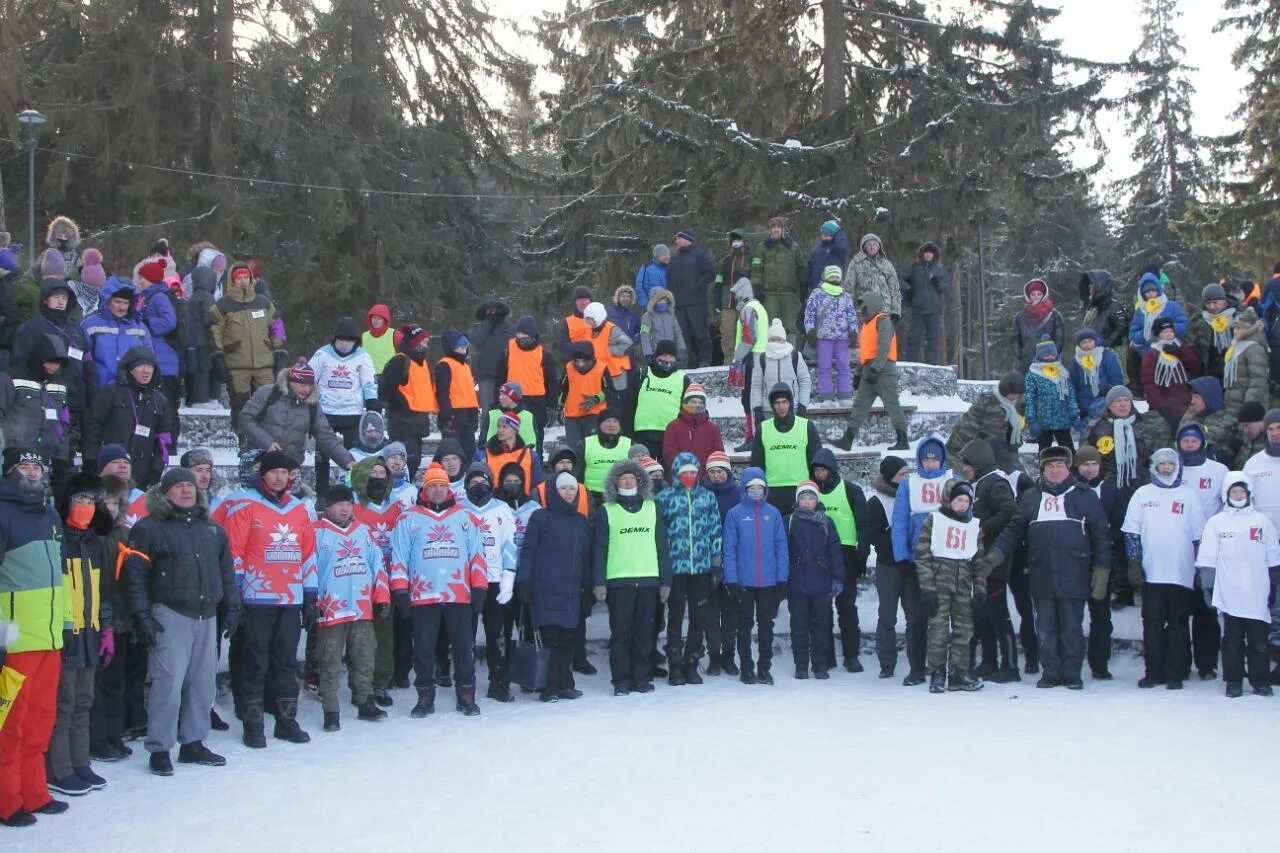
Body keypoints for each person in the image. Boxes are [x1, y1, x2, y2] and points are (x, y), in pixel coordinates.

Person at [122, 467, 241, 776]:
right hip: (169, 614)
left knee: (202, 684)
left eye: (190, 485)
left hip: (206, 614)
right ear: (165, 493)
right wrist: (142, 616)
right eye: (179, 487)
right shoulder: (149, 528)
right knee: (168, 683)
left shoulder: (212, 529)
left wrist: (233, 606)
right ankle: (160, 747)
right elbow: (134, 577)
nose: (186, 491)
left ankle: (194, 742)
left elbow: (226, 572)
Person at [984, 446, 1112, 690]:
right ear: (1042, 470)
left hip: (1074, 573)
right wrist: (994, 556)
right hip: (1041, 574)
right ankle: (1051, 672)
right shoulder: (1032, 497)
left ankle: (1072, 673)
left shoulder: (1084, 496)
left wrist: (1102, 571)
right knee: (1046, 627)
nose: (1055, 471)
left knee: (1072, 627)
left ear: (1068, 468)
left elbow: (1101, 535)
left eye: (1059, 466)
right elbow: (1013, 531)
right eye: (1050, 467)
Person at [0, 449, 74, 826]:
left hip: (48, 640)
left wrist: (65, 625)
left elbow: (59, 577)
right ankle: (7, 801)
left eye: (37, 467)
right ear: (8, 472)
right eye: (23, 467)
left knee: (40, 721)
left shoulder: (49, 513)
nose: (32, 473)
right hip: (14, 643)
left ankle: (34, 792)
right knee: (10, 725)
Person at [225, 450, 318, 747]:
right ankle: (253, 725)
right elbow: (234, 552)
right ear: (262, 474)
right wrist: (235, 595)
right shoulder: (244, 504)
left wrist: (310, 594)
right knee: (255, 662)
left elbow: (308, 555)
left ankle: (286, 721)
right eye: (274, 472)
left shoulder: (300, 509)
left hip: (289, 598)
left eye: (285, 473)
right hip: (257, 597)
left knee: (286, 663)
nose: (280, 478)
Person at [390, 464, 488, 718]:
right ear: (425, 488)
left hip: (458, 593)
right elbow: (399, 556)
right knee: (423, 649)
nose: (438, 491)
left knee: (464, 647)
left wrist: (479, 586)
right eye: (433, 486)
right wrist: (400, 590)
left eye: (442, 486)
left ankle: (466, 695)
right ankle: (425, 696)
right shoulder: (407, 518)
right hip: (424, 594)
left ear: (449, 488)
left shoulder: (466, 517)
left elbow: (477, 554)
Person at [44, 474, 113, 796]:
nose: (85, 508)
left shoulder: (94, 544)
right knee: (64, 703)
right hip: (64, 634)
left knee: (85, 700)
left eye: (90, 502)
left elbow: (104, 590)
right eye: (80, 501)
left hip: (90, 631)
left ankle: (80, 762)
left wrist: (107, 628)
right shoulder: (57, 541)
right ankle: (59, 768)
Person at [1122, 448, 1206, 689]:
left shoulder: (1188, 496)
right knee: (1152, 624)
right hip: (1152, 573)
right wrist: (1134, 563)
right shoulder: (1142, 494)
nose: (1166, 467)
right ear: (1154, 467)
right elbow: (1132, 533)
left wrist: (1200, 568)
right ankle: (1153, 672)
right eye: (1162, 464)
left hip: (1181, 573)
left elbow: (1198, 537)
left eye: (1171, 464)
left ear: (1177, 466)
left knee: (1179, 624)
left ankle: (1175, 673)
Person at [591, 458, 671, 695]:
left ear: (639, 480)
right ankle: (621, 681)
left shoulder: (652, 507)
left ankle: (642, 678)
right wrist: (599, 582)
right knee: (621, 634)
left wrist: (666, 580)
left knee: (644, 633)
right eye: (622, 477)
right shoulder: (606, 510)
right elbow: (599, 548)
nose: (627, 481)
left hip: (648, 579)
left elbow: (662, 546)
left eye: (631, 477)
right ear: (615, 482)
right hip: (619, 581)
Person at [311, 484, 389, 731]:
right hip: (330, 607)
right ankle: (331, 709)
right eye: (339, 504)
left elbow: (377, 565)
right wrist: (311, 601)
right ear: (329, 507)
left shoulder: (363, 531)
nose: (344, 509)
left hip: (360, 605)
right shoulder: (317, 533)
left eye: (348, 504)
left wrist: (382, 596)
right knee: (329, 659)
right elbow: (309, 569)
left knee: (365, 655)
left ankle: (364, 699)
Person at [1197, 474, 1280, 697]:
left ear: (1249, 493)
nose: (1238, 495)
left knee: (1258, 642)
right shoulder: (1216, 522)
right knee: (1232, 641)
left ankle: (1260, 681)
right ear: (1226, 495)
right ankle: (1233, 681)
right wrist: (1210, 587)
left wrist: (1272, 586)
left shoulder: (1262, 521)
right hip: (1230, 593)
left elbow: (1273, 556)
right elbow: (1207, 557)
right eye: (1234, 492)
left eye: (1242, 492)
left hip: (1257, 592)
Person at [517, 471, 592, 702]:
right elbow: (528, 552)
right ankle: (548, 686)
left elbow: (585, 557)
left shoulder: (581, 520)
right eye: (564, 488)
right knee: (549, 640)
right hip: (545, 588)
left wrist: (587, 588)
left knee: (568, 640)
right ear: (554, 491)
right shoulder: (540, 517)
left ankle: (565, 683)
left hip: (571, 591)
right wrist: (525, 581)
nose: (568, 493)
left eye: (572, 489)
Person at [655, 453, 723, 686]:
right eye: (685, 473)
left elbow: (715, 528)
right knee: (674, 617)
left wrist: (716, 561)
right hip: (675, 567)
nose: (689, 477)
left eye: (693, 473)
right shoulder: (664, 498)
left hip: (701, 567)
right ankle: (675, 664)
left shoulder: (707, 497)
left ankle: (692, 662)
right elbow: (659, 534)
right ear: (676, 473)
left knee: (698, 617)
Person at [915, 479, 985, 693]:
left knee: (964, 629)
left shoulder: (974, 526)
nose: (962, 504)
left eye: (966, 500)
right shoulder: (934, 520)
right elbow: (923, 555)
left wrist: (980, 588)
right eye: (958, 500)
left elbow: (979, 561)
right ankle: (937, 671)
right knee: (938, 629)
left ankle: (958, 672)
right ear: (948, 499)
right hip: (938, 585)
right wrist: (927, 588)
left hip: (963, 585)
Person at [958, 440, 1019, 683]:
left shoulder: (995, 482)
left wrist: (984, 528)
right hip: (979, 560)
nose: (964, 469)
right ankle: (989, 661)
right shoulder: (978, 484)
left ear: (977, 463)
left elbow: (1010, 511)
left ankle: (1010, 665)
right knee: (981, 613)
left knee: (998, 613)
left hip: (994, 561)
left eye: (966, 464)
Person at [722, 467, 788, 685]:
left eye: (760, 488)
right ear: (745, 489)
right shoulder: (735, 514)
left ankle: (764, 667)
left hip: (768, 582)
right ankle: (746, 667)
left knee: (766, 625)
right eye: (752, 488)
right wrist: (731, 579)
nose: (756, 491)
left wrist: (782, 579)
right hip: (744, 582)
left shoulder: (774, 513)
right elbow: (729, 549)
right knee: (744, 624)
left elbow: (781, 548)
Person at [806, 449, 870, 672]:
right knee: (823, 610)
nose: (820, 474)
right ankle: (827, 655)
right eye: (816, 470)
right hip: (820, 556)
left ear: (832, 470)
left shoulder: (851, 490)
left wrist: (863, 552)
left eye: (823, 470)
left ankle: (851, 655)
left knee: (847, 608)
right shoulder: (811, 494)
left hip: (846, 555)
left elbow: (863, 523)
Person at [240, 358, 356, 481]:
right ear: (291, 382)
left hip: (290, 466)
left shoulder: (312, 405)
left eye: (309, 386)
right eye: (302, 385)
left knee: (289, 499)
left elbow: (326, 436)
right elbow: (245, 418)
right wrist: (267, 442)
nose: (306, 389)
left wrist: (347, 461)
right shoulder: (267, 393)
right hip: (258, 461)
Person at [460, 464, 518, 703]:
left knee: (497, 633)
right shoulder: (459, 510)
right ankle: (466, 681)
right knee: (466, 634)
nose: (478, 486)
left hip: (494, 579)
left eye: (483, 481)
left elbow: (510, 544)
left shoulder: (502, 510)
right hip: (466, 581)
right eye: (473, 483)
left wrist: (509, 576)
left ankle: (498, 680)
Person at [11, 279, 91, 449]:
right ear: (45, 300)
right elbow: (20, 364)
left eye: (64, 297)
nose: (61, 301)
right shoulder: (30, 328)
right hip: (43, 400)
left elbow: (89, 365)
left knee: (68, 453)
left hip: (74, 400)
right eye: (56, 297)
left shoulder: (77, 329)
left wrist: (90, 395)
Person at [349, 457, 403, 708]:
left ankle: (380, 681)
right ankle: (359, 682)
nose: (378, 476)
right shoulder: (352, 507)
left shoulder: (397, 507)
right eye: (373, 471)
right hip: (358, 579)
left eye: (383, 472)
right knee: (359, 635)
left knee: (385, 633)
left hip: (388, 580)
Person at [208, 262, 286, 430]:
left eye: (245, 277)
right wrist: (218, 356)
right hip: (237, 365)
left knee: (269, 404)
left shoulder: (264, 303)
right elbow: (214, 331)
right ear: (232, 281)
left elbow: (277, 327)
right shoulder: (221, 306)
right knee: (241, 407)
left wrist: (279, 352)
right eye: (239, 278)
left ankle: (267, 439)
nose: (243, 281)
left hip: (264, 364)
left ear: (251, 279)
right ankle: (243, 441)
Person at [84, 346, 174, 489]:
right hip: (108, 470)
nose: (146, 370)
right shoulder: (110, 392)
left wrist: (156, 469)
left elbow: (164, 439)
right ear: (130, 369)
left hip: (141, 473)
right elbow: (93, 427)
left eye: (150, 366)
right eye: (141, 366)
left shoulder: (160, 401)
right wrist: (90, 458)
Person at [868, 456, 924, 684]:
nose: (906, 477)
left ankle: (917, 661)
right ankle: (887, 664)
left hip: (911, 566)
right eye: (901, 474)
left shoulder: (914, 496)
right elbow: (874, 535)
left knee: (915, 617)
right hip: (889, 566)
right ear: (890, 476)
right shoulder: (877, 501)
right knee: (887, 617)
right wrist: (896, 546)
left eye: (907, 473)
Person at [1178, 422, 1228, 680]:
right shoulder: (1172, 468)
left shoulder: (1218, 470)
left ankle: (1207, 664)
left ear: (1202, 443)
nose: (1189, 445)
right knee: (1178, 610)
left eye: (1193, 441)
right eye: (1184, 441)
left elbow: (1228, 503)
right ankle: (1181, 662)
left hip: (1208, 548)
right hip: (1177, 547)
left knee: (1205, 609)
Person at [309, 317, 379, 494]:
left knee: (352, 456)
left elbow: (368, 382)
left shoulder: (362, 356)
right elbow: (308, 377)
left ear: (355, 341)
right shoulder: (322, 354)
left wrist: (371, 400)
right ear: (335, 339)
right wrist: (307, 401)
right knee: (322, 455)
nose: (344, 344)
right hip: (326, 412)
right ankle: (322, 492)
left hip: (352, 413)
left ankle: (350, 491)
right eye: (341, 339)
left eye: (349, 340)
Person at [835, 291, 910, 451]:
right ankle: (847, 439)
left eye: (864, 307)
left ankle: (903, 440)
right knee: (860, 405)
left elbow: (884, 346)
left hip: (883, 369)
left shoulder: (883, 321)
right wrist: (858, 373)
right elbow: (865, 353)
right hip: (869, 370)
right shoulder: (867, 326)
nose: (862, 311)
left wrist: (876, 368)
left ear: (872, 305)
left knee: (891, 404)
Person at [1072, 445, 1123, 679]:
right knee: (1072, 616)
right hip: (1074, 562)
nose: (1090, 469)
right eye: (1085, 465)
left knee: (1101, 617)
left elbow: (1119, 525)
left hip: (1102, 561)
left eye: (1094, 464)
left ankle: (1099, 663)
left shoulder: (1111, 492)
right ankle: (1071, 662)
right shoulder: (1071, 490)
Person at [786, 480, 845, 680]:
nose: (806, 502)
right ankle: (801, 664)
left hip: (821, 581)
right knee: (799, 625)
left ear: (817, 500)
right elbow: (782, 550)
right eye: (803, 498)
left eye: (811, 498)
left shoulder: (826, 522)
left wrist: (837, 577)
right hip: (797, 581)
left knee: (821, 625)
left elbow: (835, 551)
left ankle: (820, 664)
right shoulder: (790, 521)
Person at [1, 333, 73, 487]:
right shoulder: (11, 378)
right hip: (14, 458)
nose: (53, 367)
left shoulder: (61, 386)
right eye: (49, 362)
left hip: (45, 461)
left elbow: (64, 424)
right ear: (38, 358)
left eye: (57, 363)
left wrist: (61, 458)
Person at [750, 383, 821, 513]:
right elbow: (757, 463)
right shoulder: (763, 428)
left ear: (790, 403)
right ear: (772, 405)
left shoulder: (806, 426)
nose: (781, 406)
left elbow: (816, 461)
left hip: (801, 492)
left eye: (784, 402)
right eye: (777, 403)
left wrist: (813, 487)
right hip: (772, 492)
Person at [891, 435, 953, 578]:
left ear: (942, 460)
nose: (930, 465)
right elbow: (900, 522)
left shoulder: (952, 481)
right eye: (926, 460)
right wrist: (901, 556)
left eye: (934, 460)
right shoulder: (908, 484)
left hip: (948, 554)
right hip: (917, 554)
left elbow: (965, 516)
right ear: (919, 460)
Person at [379, 324, 436, 478]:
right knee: (404, 462)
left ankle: (406, 492)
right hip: (403, 422)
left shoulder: (422, 363)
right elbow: (385, 389)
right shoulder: (400, 361)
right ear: (413, 343)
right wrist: (401, 402)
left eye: (426, 343)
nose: (425, 345)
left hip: (418, 422)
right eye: (422, 342)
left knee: (414, 462)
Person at [81, 276, 154, 395]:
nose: (122, 307)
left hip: (132, 393)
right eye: (117, 302)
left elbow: (149, 359)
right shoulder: (89, 325)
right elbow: (82, 362)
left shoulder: (140, 328)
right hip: (98, 391)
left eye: (126, 303)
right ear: (107, 300)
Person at [495, 316, 558, 454]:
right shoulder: (508, 349)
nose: (521, 341)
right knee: (510, 438)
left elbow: (552, 382)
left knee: (535, 442)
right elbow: (499, 376)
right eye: (518, 337)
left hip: (536, 402)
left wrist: (552, 406)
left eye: (524, 338)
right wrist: (497, 399)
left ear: (533, 336)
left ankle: (537, 467)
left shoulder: (544, 355)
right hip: (512, 401)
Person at [136, 258, 183, 427]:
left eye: (142, 278)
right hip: (161, 361)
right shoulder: (148, 297)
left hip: (164, 362)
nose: (139, 281)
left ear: (150, 279)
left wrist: (147, 323)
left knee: (166, 405)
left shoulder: (158, 298)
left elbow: (169, 321)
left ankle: (169, 442)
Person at [803, 265, 859, 406]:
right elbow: (809, 313)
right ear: (825, 277)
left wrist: (854, 331)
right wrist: (810, 331)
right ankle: (826, 396)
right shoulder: (817, 293)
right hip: (823, 337)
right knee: (825, 367)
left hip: (842, 337)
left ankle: (844, 395)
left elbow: (851, 314)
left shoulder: (846, 296)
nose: (834, 279)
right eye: (831, 276)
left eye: (836, 276)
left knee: (843, 366)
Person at [728, 276, 769, 452]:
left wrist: (737, 357)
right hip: (761, 357)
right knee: (755, 398)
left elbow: (749, 337)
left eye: (737, 295)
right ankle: (752, 436)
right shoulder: (760, 307)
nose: (735, 298)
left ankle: (753, 438)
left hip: (751, 358)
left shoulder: (748, 310)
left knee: (750, 400)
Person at [629, 340, 687, 462]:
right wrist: (629, 434)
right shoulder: (641, 374)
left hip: (670, 436)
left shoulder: (682, 378)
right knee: (642, 475)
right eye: (664, 355)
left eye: (671, 356)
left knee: (667, 475)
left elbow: (687, 409)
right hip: (641, 436)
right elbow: (628, 405)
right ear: (656, 356)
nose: (667, 359)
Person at [1140, 316, 1202, 428]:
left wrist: (1180, 352)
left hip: (1185, 400)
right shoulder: (1152, 354)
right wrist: (1160, 405)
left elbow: (1195, 366)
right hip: (1165, 403)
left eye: (1171, 331)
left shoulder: (1180, 347)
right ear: (1158, 334)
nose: (1169, 334)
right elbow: (1148, 382)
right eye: (1164, 332)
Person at [946, 372, 1025, 459]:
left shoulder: (1009, 407)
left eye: (1018, 394)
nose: (1015, 397)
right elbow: (994, 440)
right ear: (1005, 390)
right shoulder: (992, 405)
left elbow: (1013, 442)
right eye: (1013, 393)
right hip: (962, 453)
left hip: (979, 451)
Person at [666, 229, 716, 367]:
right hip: (679, 305)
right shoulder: (674, 259)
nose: (676, 241)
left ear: (687, 239)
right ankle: (689, 362)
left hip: (697, 303)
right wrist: (670, 296)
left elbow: (711, 272)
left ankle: (705, 360)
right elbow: (669, 279)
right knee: (683, 335)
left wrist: (699, 284)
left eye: (679, 238)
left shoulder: (699, 255)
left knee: (700, 334)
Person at [751, 219, 806, 344]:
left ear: (783, 230)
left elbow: (801, 267)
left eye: (778, 227)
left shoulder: (793, 246)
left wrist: (803, 286)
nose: (775, 230)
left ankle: (792, 356)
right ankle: (770, 356)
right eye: (773, 227)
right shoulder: (762, 247)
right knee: (769, 326)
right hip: (769, 294)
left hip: (789, 294)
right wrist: (757, 287)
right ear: (769, 230)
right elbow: (756, 269)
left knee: (790, 327)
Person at [1025, 336, 1081, 451]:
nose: (1050, 357)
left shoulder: (1063, 372)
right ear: (1040, 355)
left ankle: (1071, 469)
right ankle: (1044, 469)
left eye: (1052, 353)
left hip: (1062, 421)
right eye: (1046, 354)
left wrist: (1074, 415)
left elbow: (1070, 396)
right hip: (1043, 423)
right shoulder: (1033, 374)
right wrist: (1031, 420)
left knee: (1068, 451)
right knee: (1044, 451)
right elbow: (1030, 399)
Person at [900, 242, 951, 364]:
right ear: (922, 254)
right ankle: (910, 363)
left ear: (934, 255)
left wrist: (937, 283)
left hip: (934, 309)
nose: (928, 255)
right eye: (926, 252)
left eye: (931, 253)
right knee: (914, 338)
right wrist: (907, 290)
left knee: (933, 339)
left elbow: (947, 288)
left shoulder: (939, 270)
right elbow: (900, 279)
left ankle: (932, 365)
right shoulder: (915, 268)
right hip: (918, 308)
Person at [468, 295, 514, 429]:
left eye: (495, 311)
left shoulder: (509, 329)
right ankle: (486, 441)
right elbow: (475, 339)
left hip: (506, 375)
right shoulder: (478, 328)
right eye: (489, 311)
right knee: (487, 412)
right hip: (485, 375)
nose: (492, 314)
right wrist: (487, 324)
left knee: (506, 409)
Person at [582, 302, 633, 412]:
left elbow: (628, 344)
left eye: (591, 319)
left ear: (598, 317)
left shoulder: (612, 330)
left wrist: (609, 351)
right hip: (599, 375)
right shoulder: (588, 330)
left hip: (615, 377)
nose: (588, 322)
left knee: (615, 409)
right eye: (587, 319)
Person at [559, 342, 608, 456]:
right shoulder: (569, 367)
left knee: (592, 451)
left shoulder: (601, 368)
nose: (580, 364)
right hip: (572, 417)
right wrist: (559, 406)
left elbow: (610, 390)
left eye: (584, 361)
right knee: (574, 451)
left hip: (594, 414)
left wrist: (596, 399)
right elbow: (563, 388)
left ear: (591, 359)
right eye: (577, 360)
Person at [661, 382, 724, 469]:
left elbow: (718, 453)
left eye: (700, 402)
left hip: (706, 479)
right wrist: (685, 470)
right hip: (681, 477)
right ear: (685, 403)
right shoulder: (673, 427)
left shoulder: (713, 428)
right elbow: (669, 453)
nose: (697, 405)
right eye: (693, 402)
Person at [1179, 377, 1238, 465]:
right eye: (1191, 397)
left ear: (1208, 397)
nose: (1192, 401)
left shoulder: (1227, 419)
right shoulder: (1191, 414)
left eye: (1196, 397)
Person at [479, 409, 543, 491]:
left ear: (515, 430)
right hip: (495, 502)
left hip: (524, 501)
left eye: (505, 427)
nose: (500, 430)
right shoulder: (483, 454)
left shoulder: (531, 456)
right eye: (498, 426)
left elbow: (538, 487)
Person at [1223, 306, 1271, 413]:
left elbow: (1257, 382)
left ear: (1251, 329)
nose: (1236, 332)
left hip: (1248, 409)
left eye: (1240, 328)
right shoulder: (1235, 348)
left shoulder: (1254, 348)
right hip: (1233, 406)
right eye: (1235, 328)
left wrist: (1248, 407)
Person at [1069, 327, 1124, 419]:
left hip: (1105, 402)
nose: (1087, 345)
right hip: (1084, 406)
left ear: (1095, 341)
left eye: (1090, 341)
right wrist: (1076, 404)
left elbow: (1116, 379)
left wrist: (1110, 393)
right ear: (1079, 344)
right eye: (1084, 342)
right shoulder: (1075, 361)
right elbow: (1073, 384)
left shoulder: (1107, 356)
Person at [1185, 282, 1235, 384]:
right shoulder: (1199, 323)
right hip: (1209, 375)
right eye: (1208, 303)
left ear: (1224, 302)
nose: (1211, 307)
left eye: (1215, 302)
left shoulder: (1237, 319)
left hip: (1234, 374)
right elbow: (1191, 349)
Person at [1011, 279, 1066, 372]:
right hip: (1026, 364)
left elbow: (1060, 339)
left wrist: (1052, 355)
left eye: (1039, 294)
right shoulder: (1020, 317)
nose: (1036, 297)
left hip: (1049, 362)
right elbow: (1015, 340)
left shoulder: (1054, 315)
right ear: (1028, 296)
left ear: (1044, 295)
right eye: (1033, 294)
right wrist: (1021, 356)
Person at [844, 233, 901, 321]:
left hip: (884, 310)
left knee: (883, 334)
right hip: (863, 311)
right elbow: (849, 288)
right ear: (864, 247)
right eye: (869, 244)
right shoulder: (856, 263)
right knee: (866, 335)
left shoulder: (886, 264)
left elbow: (894, 289)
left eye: (875, 244)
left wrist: (896, 310)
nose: (872, 247)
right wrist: (848, 310)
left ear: (879, 247)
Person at [184, 266, 218, 405]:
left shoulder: (193, 296)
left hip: (192, 340)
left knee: (195, 370)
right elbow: (209, 319)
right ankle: (204, 399)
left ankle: (195, 398)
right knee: (204, 369)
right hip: (205, 340)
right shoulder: (208, 297)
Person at [1079, 270, 1131, 354]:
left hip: (1111, 353)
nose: (1089, 291)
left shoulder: (1114, 306)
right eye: (1089, 288)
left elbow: (1122, 327)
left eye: (1092, 287)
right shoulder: (1093, 309)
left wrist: (1107, 342)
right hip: (1093, 352)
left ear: (1100, 287)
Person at [639, 288, 687, 368]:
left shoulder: (671, 315)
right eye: (660, 300)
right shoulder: (647, 316)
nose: (663, 303)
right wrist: (648, 353)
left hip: (671, 352)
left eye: (664, 300)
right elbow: (645, 335)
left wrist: (681, 349)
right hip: (656, 353)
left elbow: (677, 332)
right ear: (654, 301)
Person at [802, 220, 852, 294]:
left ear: (835, 234)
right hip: (816, 290)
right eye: (824, 232)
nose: (825, 234)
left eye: (828, 232)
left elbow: (842, 247)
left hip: (834, 290)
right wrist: (804, 284)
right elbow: (810, 268)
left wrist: (840, 232)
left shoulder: (837, 249)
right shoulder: (817, 249)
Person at [554, 286, 594, 362]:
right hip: (578, 364)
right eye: (579, 299)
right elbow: (562, 346)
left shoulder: (600, 318)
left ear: (590, 301)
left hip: (600, 365)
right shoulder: (567, 322)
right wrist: (582, 347)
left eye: (585, 299)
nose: (582, 302)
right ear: (575, 302)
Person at [608, 285, 643, 373]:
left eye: (628, 297)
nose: (626, 298)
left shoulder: (633, 315)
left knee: (629, 379)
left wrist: (634, 340)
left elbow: (642, 331)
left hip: (628, 353)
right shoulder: (609, 311)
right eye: (623, 296)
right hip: (612, 351)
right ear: (618, 297)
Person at [362, 304, 396, 376]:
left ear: (385, 320)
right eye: (374, 318)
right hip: (368, 377)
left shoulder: (395, 335)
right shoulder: (363, 336)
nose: (376, 321)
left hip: (388, 377)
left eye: (379, 318)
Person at [1233, 401, 1267, 469]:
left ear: (1261, 421)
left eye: (1247, 426)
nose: (1245, 430)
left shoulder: (1272, 440)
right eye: (1242, 426)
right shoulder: (1243, 436)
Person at [634, 244, 669, 310]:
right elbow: (639, 287)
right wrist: (645, 304)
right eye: (665, 255)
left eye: (668, 255)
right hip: (651, 307)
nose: (667, 257)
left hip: (667, 307)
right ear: (657, 256)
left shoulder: (670, 268)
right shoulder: (647, 268)